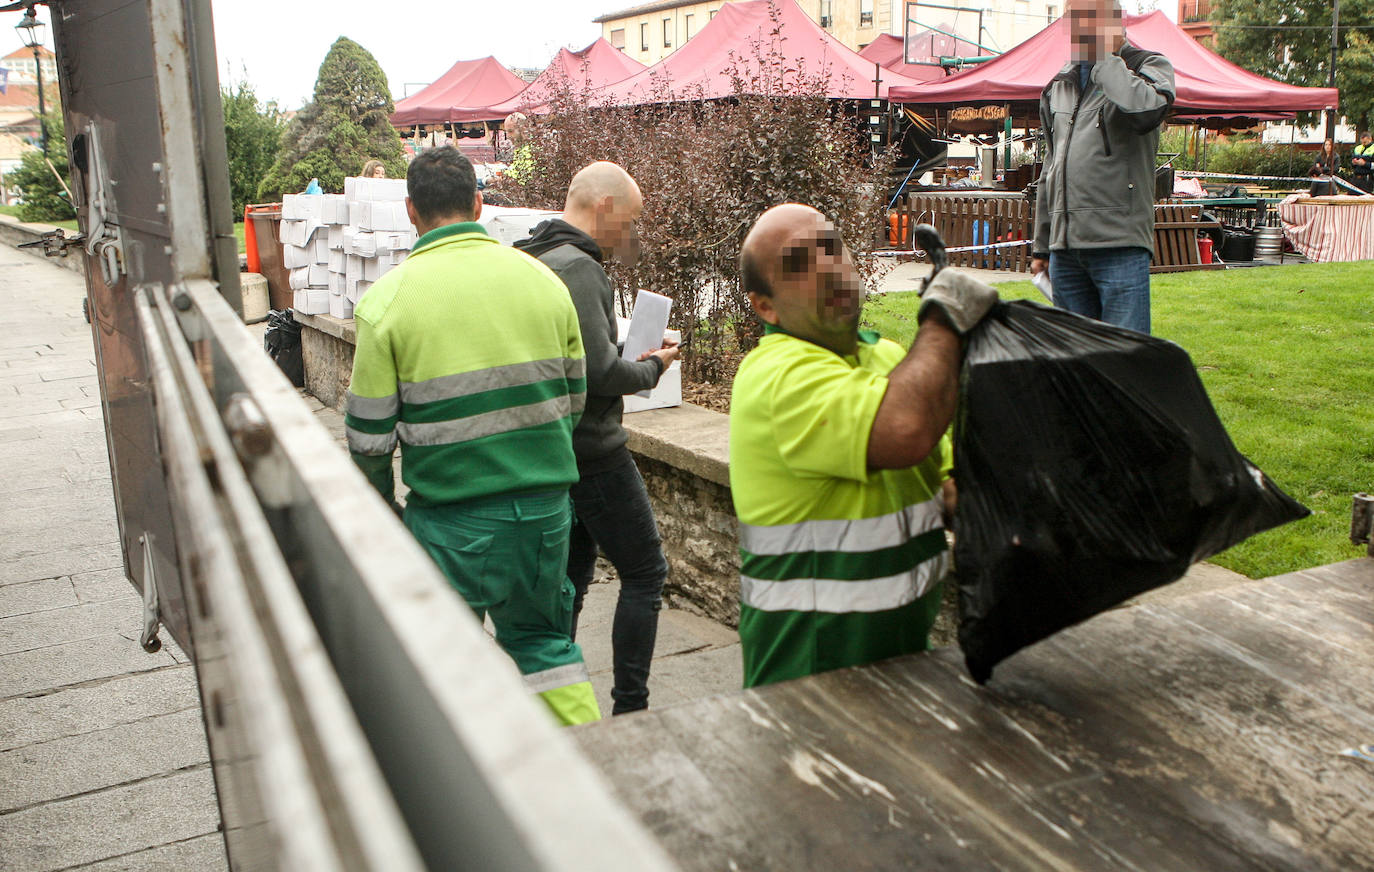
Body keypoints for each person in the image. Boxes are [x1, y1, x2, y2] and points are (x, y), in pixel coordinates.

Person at [345, 146, 599, 726]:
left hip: (449, 523)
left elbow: (367, 439)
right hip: (544, 514)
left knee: (442, 664)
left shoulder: (386, 304)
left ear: (410, 211)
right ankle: (593, 769)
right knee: (547, 649)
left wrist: (385, 511)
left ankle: (464, 795)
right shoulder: (544, 283)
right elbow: (574, 398)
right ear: (480, 205)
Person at [729, 204, 999, 688]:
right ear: (764, 306)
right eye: (799, 264)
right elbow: (906, 430)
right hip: (808, 678)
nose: (829, 268)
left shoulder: (888, 358)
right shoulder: (775, 376)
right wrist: (944, 318)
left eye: (833, 248)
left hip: (902, 662)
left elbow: (942, 486)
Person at [514, 162, 679, 715]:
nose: (630, 236)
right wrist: (654, 364)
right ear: (603, 206)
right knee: (645, 572)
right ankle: (631, 710)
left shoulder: (530, 257)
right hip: (595, 452)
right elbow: (600, 375)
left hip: (552, 448)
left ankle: (556, 700)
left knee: (572, 581)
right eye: (629, 221)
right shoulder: (579, 267)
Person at [1030, 0, 1175, 335]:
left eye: (1089, 16)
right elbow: (1051, 169)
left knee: (1124, 358)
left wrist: (1107, 59)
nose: (1080, 26)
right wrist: (1043, 244)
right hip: (1065, 251)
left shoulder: (1148, 65)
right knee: (1076, 359)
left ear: (1113, 20)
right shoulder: (1059, 84)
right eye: (1073, 17)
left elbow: (1145, 112)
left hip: (1119, 244)